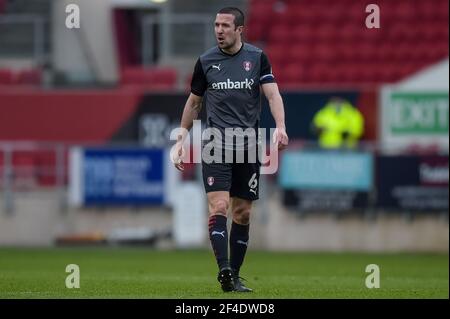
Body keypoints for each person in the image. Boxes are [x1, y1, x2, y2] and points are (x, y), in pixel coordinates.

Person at [172, 7, 288, 292]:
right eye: (216, 25)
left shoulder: (257, 58)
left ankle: (233, 276)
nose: (219, 30)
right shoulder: (206, 61)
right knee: (220, 206)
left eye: (225, 25)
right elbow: (194, 103)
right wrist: (180, 139)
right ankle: (223, 269)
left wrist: (281, 126)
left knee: (243, 213)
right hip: (215, 145)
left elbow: (272, 94)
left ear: (240, 29)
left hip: (248, 145)